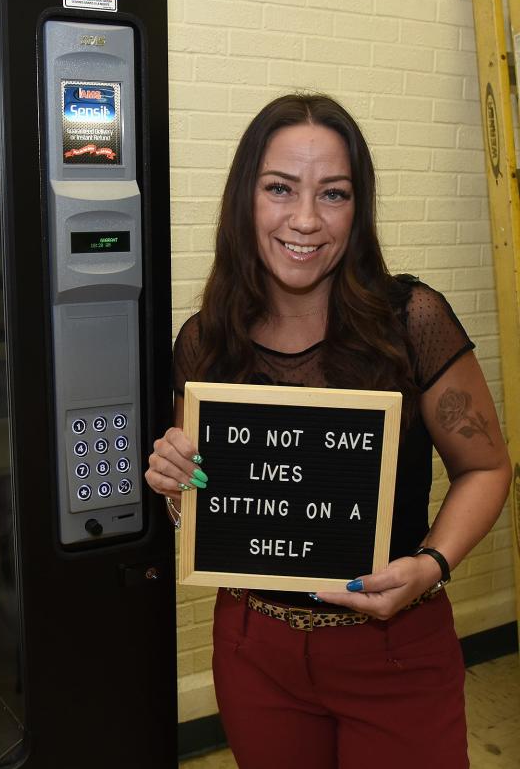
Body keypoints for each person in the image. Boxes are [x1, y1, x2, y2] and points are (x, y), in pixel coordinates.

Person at [145, 93, 511, 769]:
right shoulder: (206, 342)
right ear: (244, 200)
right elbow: (197, 498)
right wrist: (176, 482)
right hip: (256, 650)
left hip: (397, 647)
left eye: (334, 194)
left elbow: (487, 468)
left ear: (358, 207)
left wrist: (430, 567)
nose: (306, 220)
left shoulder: (412, 320)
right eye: (280, 188)